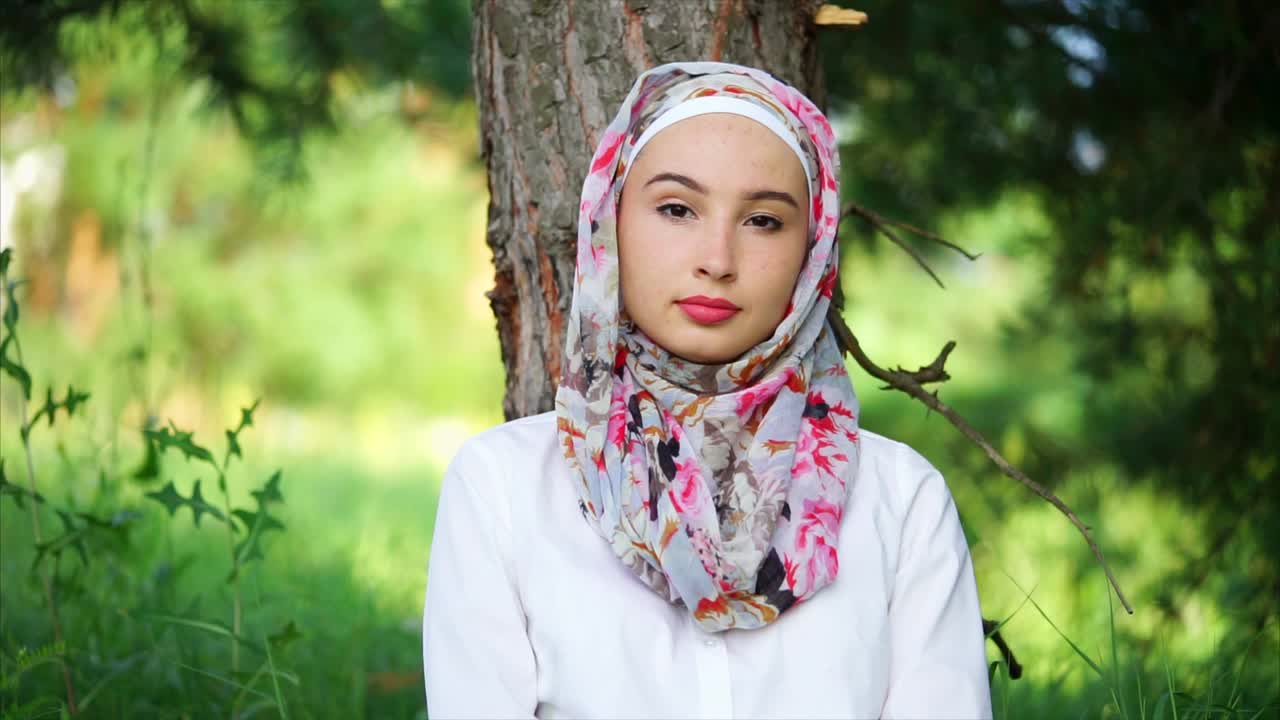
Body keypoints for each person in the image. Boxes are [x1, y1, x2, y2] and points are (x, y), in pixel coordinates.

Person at [423, 61, 992, 719]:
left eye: (764, 221)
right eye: (676, 209)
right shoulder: (504, 489)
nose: (717, 259)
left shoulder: (902, 502)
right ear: (610, 225)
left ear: (814, 251)